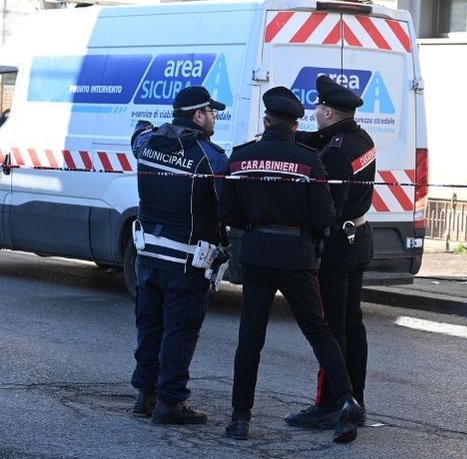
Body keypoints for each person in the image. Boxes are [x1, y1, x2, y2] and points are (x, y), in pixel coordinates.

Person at [219, 86, 365, 443]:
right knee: (319, 331)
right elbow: (324, 216)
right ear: (295, 124)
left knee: (250, 339)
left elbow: (228, 213)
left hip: (256, 254)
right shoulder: (308, 160)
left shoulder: (241, 157)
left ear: (266, 121)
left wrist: (255, 226)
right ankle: (347, 401)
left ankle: (240, 419)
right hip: (296, 256)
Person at [130, 86, 228, 424]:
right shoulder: (209, 157)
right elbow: (227, 206)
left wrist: (149, 127)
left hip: (147, 256)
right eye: (211, 112)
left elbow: (138, 134)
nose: (214, 117)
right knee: (179, 332)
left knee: (150, 326)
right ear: (198, 115)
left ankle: (145, 394)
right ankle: (170, 402)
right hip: (186, 261)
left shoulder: (148, 143)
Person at [285, 75, 375, 429]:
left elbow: (327, 210)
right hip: (359, 238)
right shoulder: (358, 138)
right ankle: (356, 398)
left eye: (318, 109)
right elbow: (314, 140)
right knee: (353, 324)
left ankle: (329, 404)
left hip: (336, 246)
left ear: (326, 111)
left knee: (332, 328)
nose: (314, 115)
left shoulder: (336, 154)